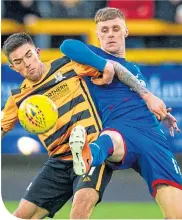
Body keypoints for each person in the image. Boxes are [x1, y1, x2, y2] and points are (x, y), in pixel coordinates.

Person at [1, 32, 167, 219]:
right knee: (21, 215)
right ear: (13, 67)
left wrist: (147, 96)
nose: (27, 63)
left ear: (37, 51)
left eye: (29, 55)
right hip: (58, 162)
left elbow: (115, 68)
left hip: (90, 151)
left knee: (79, 211)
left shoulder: (68, 66)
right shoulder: (17, 100)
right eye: (19, 61)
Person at [60, 7, 182, 219]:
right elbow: (67, 45)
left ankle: (90, 154)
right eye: (104, 30)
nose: (110, 34)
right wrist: (104, 65)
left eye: (115, 28)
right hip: (120, 129)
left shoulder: (134, 69)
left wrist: (161, 112)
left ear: (126, 31)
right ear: (97, 34)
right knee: (111, 139)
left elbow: (136, 93)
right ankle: (87, 155)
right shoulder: (93, 57)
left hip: (153, 138)